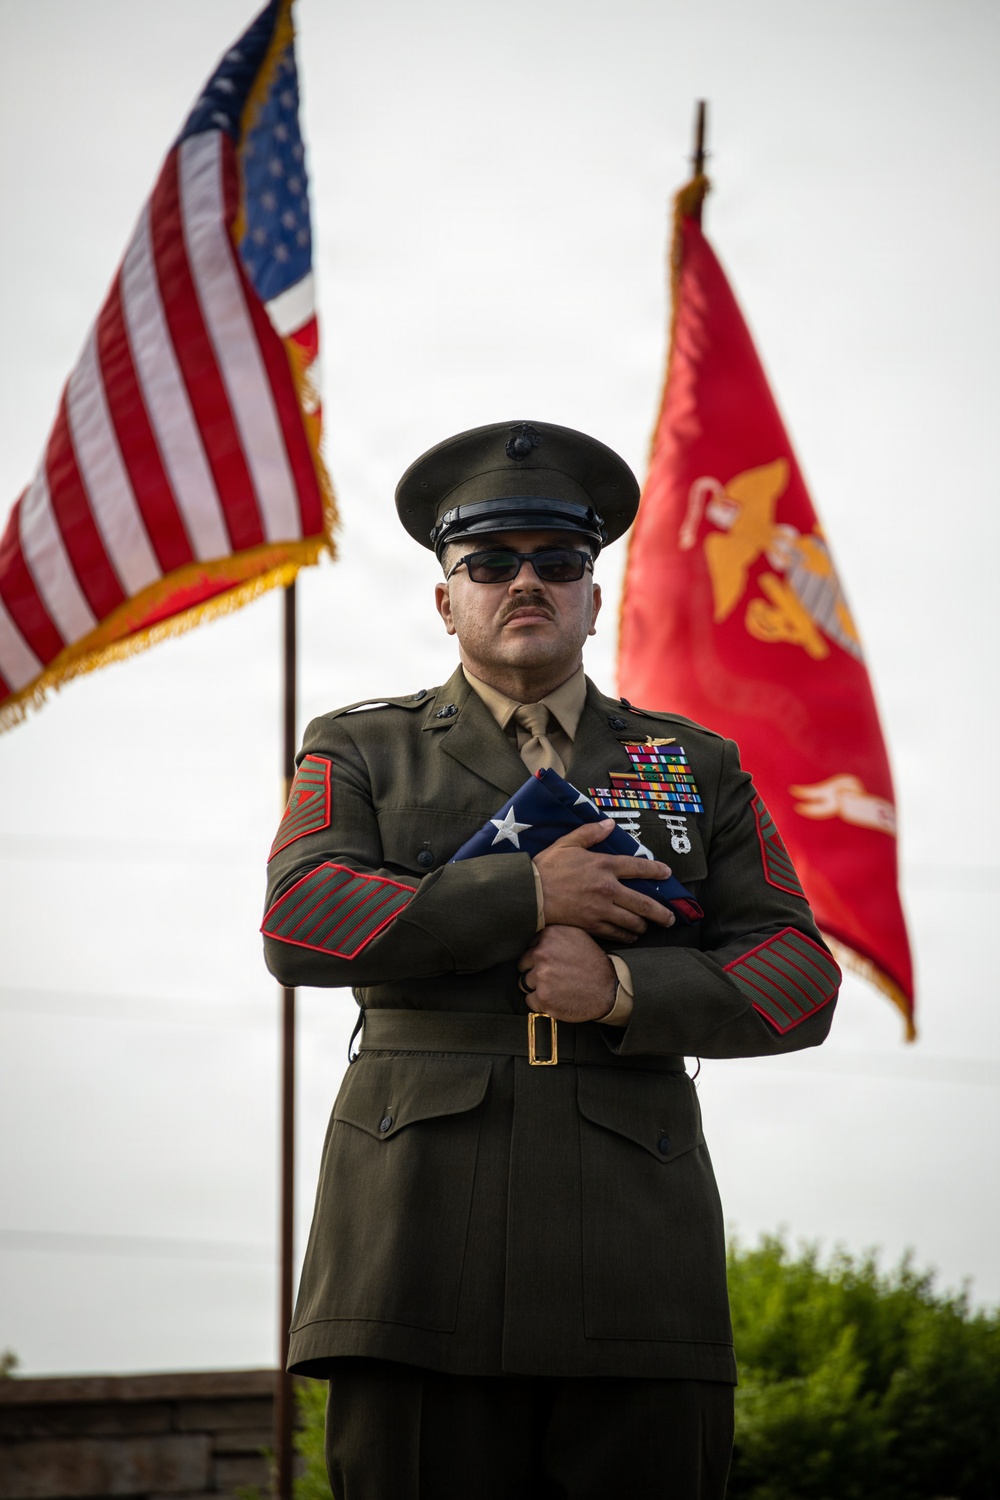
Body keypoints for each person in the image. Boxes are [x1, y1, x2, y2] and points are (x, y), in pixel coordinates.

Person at [262, 420, 839, 1499]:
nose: (525, 582)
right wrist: (530, 891)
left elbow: (797, 974)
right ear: (447, 600)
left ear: (593, 597)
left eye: (558, 562)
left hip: (635, 1247)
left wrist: (620, 990)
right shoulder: (362, 745)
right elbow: (303, 917)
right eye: (489, 563)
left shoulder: (694, 764)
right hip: (414, 1236)